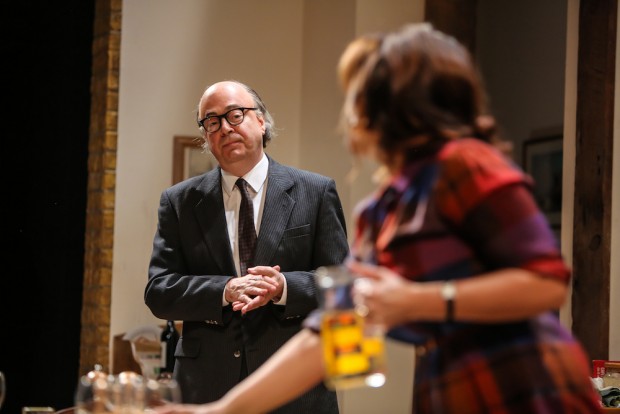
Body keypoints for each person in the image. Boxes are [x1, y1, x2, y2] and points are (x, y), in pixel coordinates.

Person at [154, 23, 603, 414]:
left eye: (363, 93)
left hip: (525, 387)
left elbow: (546, 283)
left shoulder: (467, 164)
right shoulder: (383, 207)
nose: (353, 110)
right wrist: (220, 410)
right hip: (449, 388)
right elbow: (338, 323)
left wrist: (416, 302)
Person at [145, 80, 349, 413]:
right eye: (212, 121)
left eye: (235, 115)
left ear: (261, 120)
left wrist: (283, 287)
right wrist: (225, 289)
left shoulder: (315, 191)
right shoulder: (179, 202)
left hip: (295, 385)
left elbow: (343, 285)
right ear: (206, 136)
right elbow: (159, 291)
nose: (224, 127)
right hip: (207, 385)